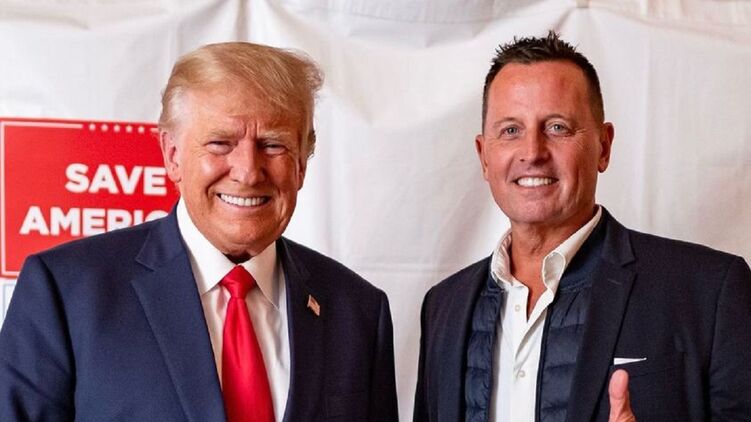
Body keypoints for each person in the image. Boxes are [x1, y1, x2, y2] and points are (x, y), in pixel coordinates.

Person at [0, 42, 398, 422]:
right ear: (172, 155)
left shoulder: (358, 310)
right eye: (221, 143)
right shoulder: (67, 292)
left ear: (301, 166)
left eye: (273, 145)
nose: (248, 171)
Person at [413, 31, 751, 422]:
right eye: (510, 130)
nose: (532, 152)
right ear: (484, 156)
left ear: (603, 147)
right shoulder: (443, 307)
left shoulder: (711, 291)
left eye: (557, 127)